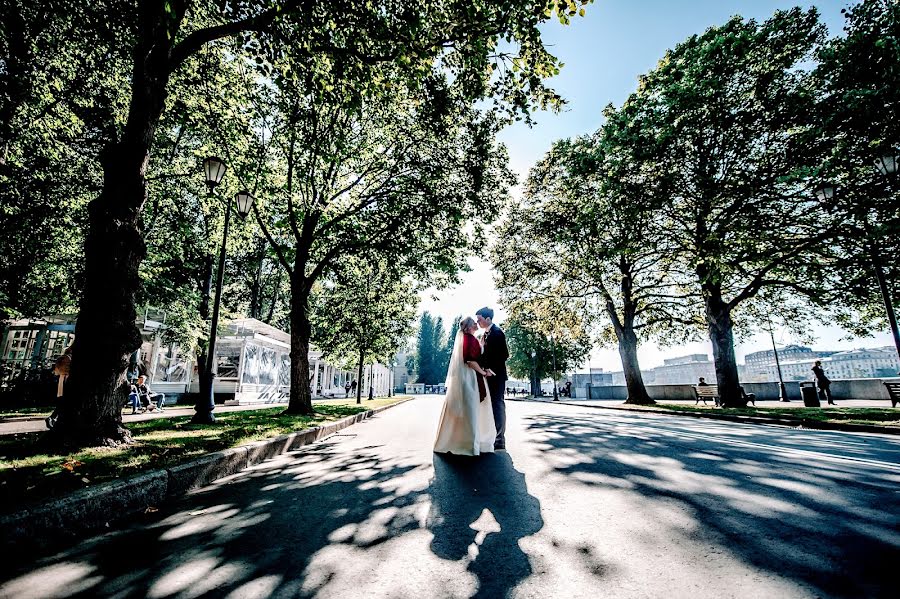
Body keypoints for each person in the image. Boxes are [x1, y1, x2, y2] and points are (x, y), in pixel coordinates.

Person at [434, 317, 496, 456]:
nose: (476, 323)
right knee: (471, 409)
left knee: (468, 409)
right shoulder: (469, 339)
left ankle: (464, 441)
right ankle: (470, 444)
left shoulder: (469, 339)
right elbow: (470, 361)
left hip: (468, 377)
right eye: (473, 323)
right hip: (471, 377)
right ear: (468, 327)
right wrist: (483, 372)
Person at [476, 307, 510, 451]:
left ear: (488, 319)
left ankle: (500, 439)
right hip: (487, 376)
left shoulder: (497, 332)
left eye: (480, 319)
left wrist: (491, 370)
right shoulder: (485, 334)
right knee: (489, 406)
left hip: (496, 376)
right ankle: (491, 437)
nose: (477, 322)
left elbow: (504, 355)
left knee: (497, 405)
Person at [45, 346, 73, 429]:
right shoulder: (68, 359)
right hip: (66, 380)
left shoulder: (61, 358)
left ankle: (54, 418)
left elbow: (56, 371)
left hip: (61, 379)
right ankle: (53, 417)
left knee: (62, 400)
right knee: (64, 401)